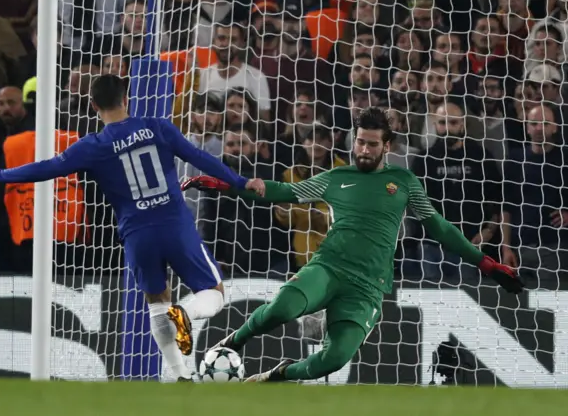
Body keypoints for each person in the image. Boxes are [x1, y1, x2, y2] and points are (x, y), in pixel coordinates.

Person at [181, 106, 524, 383]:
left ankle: (278, 374)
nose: (363, 149)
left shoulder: (403, 182)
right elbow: (278, 193)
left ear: (387, 146)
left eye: (372, 144)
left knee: (334, 358)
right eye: (360, 141)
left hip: (368, 286)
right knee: (284, 307)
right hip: (329, 267)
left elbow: (440, 228)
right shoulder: (336, 177)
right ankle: (233, 343)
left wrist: (488, 264)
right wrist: (224, 184)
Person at [0, 74, 264, 382]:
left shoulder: (91, 146)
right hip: (175, 224)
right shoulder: (157, 127)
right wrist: (242, 182)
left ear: (93, 104)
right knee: (214, 292)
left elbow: (47, 168)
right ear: (126, 99)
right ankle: (187, 313)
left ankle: (179, 375)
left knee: (158, 302)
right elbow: (200, 157)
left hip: (137, 235)